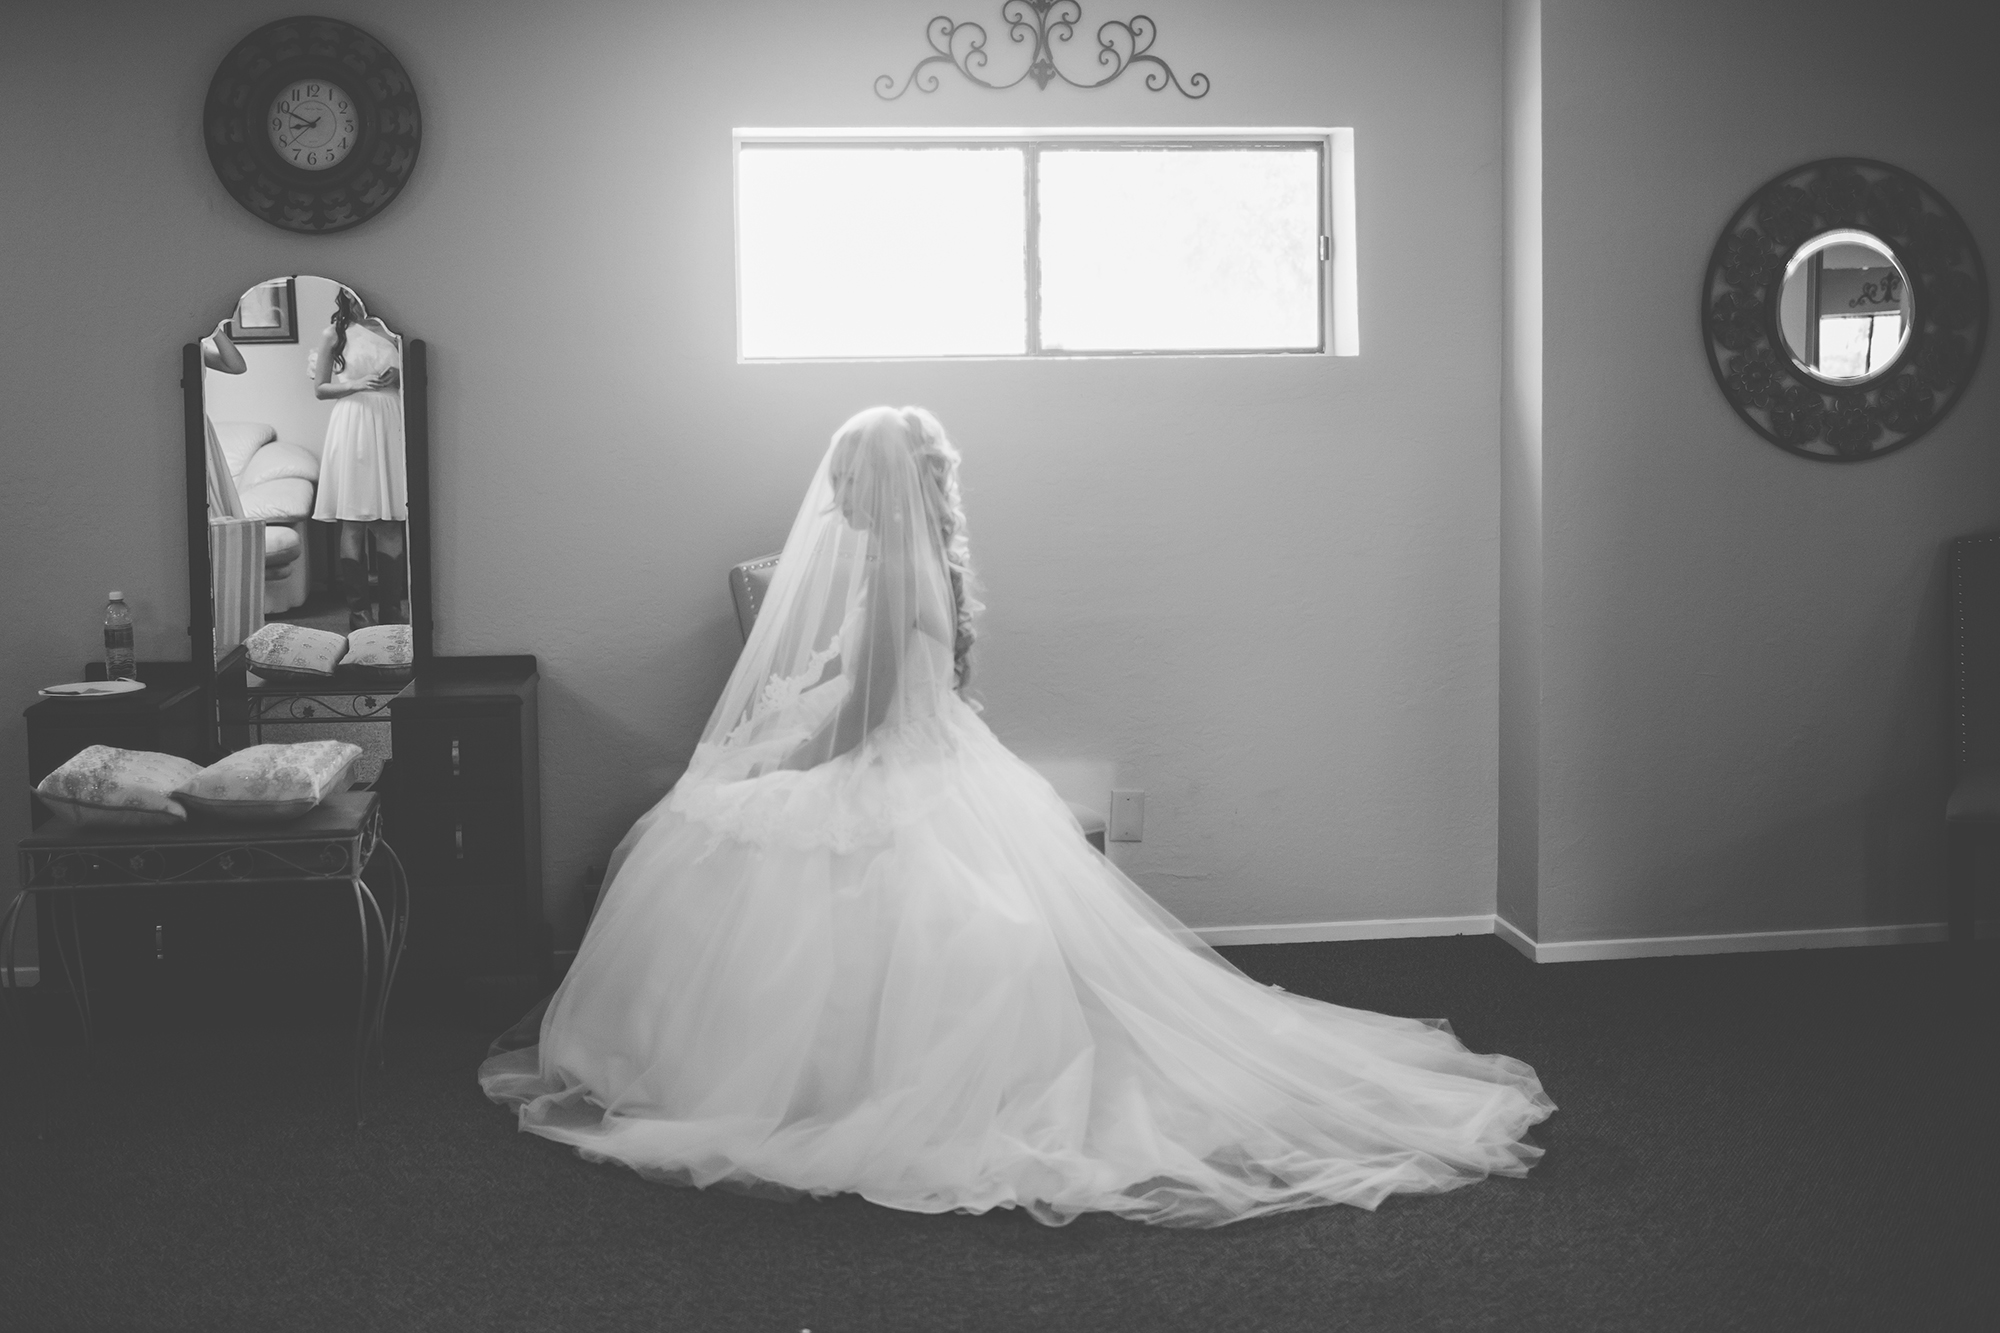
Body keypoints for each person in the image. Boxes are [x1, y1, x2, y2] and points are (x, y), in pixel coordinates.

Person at [479, 406, 1555, 1228]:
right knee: (722, 830)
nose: (836, 494)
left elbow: (855, 724)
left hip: (890, 772)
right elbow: (900, 694)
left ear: (880, 484)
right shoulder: (923, 561)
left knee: (709, 830)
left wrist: (759, 766)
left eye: (848, 478)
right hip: (939, 762)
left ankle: (787, 1081)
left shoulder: (892, 565)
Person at [310, 288, 406, 628]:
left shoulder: (396, 331)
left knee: (391, 520)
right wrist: (357, 383)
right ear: (346, 298)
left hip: (390, 420)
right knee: (353, 520)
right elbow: (320, 388)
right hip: (353, 423)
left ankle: (393, 609)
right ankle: (359, 612)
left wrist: (400, 377)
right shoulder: (335, 334)